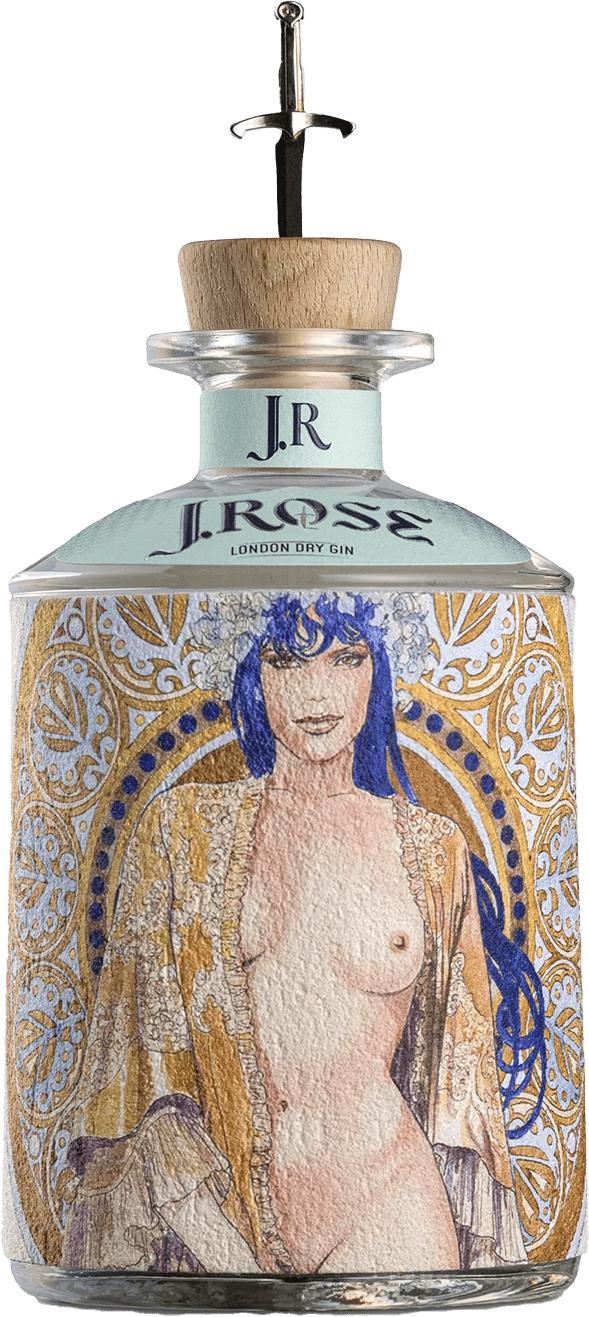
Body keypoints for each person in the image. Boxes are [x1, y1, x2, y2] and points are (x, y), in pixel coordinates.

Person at [63, 592, 526, 1274]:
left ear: (379, 668)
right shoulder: (180, 829)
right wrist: (225, 1251)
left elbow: (461, 1081)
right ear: (250, 672)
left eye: (346, 658)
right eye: (284, 660)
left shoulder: (433, 849)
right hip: (220, 1208)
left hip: (391, 1196)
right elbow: (140, 1069)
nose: (316, 693)